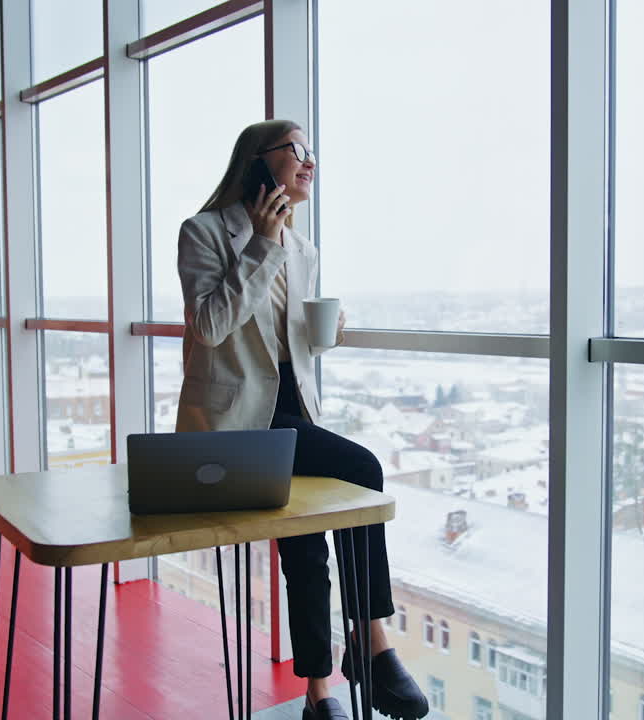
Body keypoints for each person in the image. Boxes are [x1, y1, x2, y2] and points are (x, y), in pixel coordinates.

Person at [175, 120, 429, 720]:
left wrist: (324, 334)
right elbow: (210, 326)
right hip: (239, 425)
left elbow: (285, 349)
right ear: (259, 161)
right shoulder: (205, 232)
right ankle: (371, 645)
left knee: (305, 544)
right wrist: (260, 245)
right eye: (297, 150)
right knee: (361, 468)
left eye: (310, 151)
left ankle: (318, 692)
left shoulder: (303, 248)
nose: (309, 161)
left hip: (292, 413)